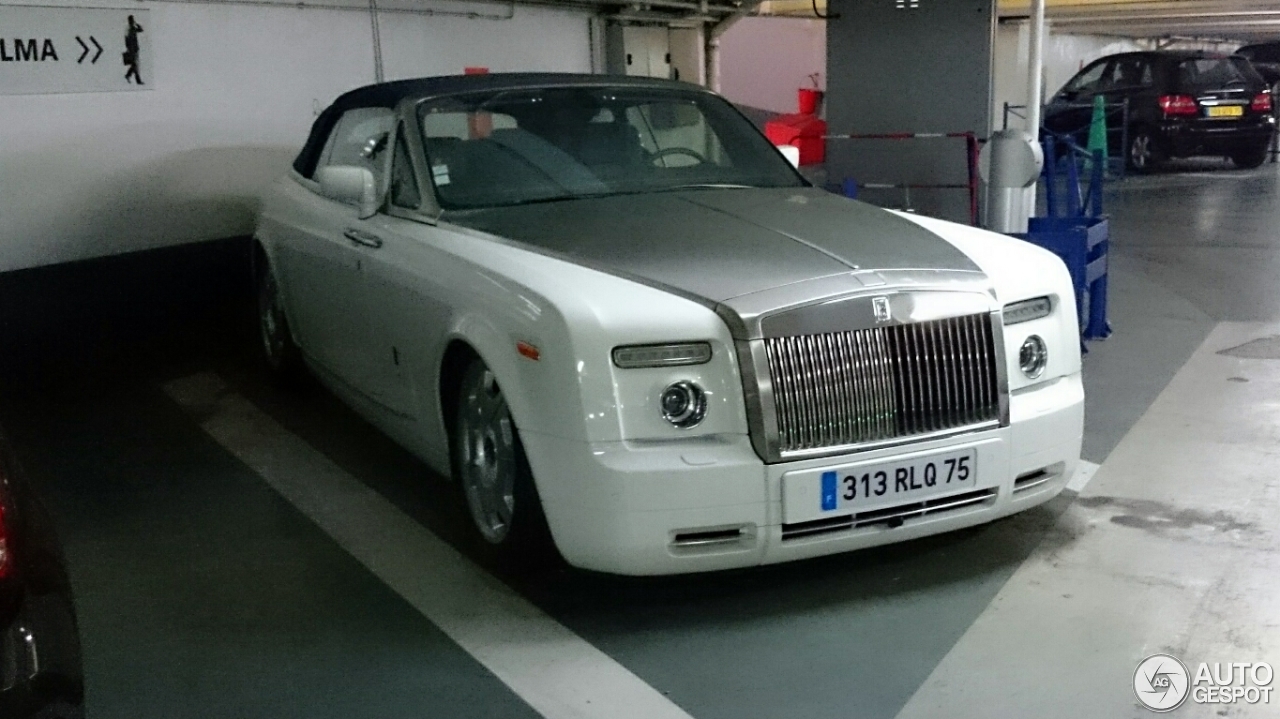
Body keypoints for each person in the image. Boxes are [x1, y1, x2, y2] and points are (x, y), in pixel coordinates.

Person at [123, 15, 143, 85]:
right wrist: (128, 49)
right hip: (132, 49)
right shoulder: (129, 29)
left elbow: (141, 29)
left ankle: (128, 75)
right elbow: (126, 40)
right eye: (132, 20)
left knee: (134, 65)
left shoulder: (132, 28)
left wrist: (136, 24)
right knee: (135, 64)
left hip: (135, 49)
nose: (132, 21)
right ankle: (138, 80)